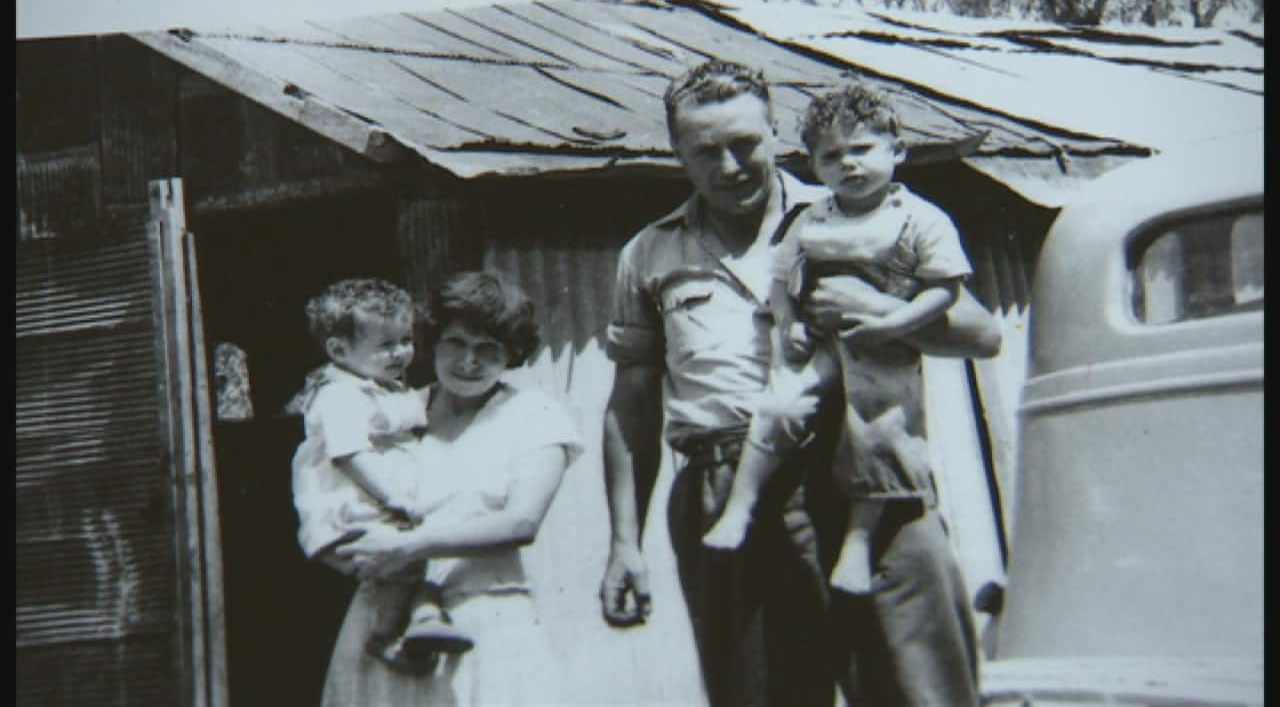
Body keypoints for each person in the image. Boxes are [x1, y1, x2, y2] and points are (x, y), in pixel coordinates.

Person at [599, 60, 999, 707]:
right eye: (706, 152)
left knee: (921, 690)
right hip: (728, 481)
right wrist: (624, 543)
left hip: (863, 470)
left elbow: (982, 334)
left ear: (775, 133)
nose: (731, 166)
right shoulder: (650, 254)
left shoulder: (857, 207)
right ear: (677, 154)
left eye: (745, 144)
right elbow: (632, 404)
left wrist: (874, 311)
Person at [703, 83, 975, 599]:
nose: (848, 165)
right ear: (814, 165)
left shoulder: (921, 219)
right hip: (823, 342)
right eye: (831, 156)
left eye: (862, 150)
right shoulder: (812, 218)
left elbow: (944, 290)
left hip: (886, 346)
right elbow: (783, 281)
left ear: (897, 150)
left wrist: (892, 325)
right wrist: (790, 324)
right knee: (780, 403)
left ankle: (859, 542)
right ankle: (739, 507)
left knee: (876, 430)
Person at [317, 271, 582, 706]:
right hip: (386, 622)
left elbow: (521, 522)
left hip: (485, 617)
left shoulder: (535, 415)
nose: (468, 362)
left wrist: (408, 546)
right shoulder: (396, 410)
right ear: (434, 341)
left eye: (488, 350)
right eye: (456, 343)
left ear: (512, 356)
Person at [289, 277, 474, 675]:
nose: (401, 353)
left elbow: (418, 406)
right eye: (386, 345)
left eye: (405, 339)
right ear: (339, 350)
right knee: (404, 559)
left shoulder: (384, 388)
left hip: (377, 506)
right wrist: (394, 498)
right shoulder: (338, 395)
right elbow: (349, 455)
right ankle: (386, 637)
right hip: (350, 510)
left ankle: (423, 618)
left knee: (421, 556)